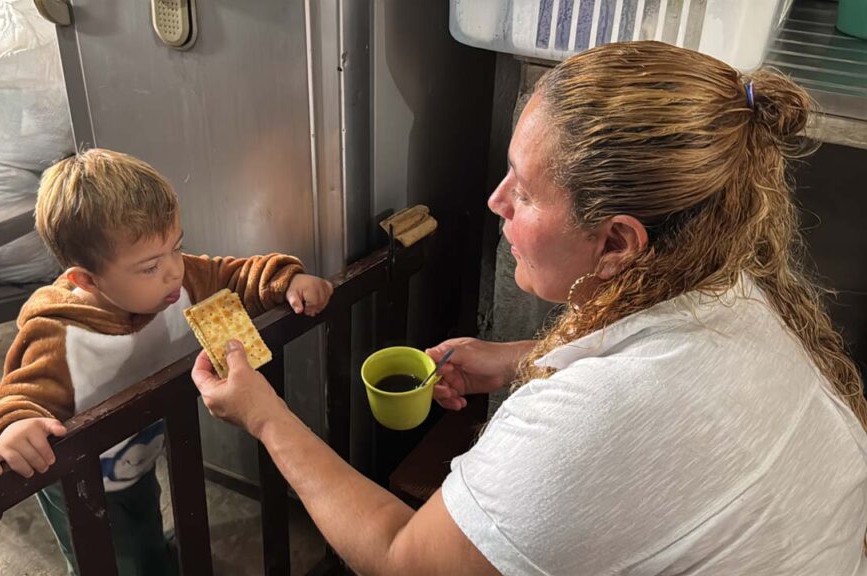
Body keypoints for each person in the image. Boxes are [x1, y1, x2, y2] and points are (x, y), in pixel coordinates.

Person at [191, 41, 867, 575]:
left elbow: (403, 559)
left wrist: (266, 416)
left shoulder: (598, 417)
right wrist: (525, 359)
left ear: (618, 242)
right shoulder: (734, 292)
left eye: (526, 188)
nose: (496, 201)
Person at [0, 148, 333, 575]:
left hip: (137, 455)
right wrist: (15, 427)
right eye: (149, 267)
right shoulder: (57, 335)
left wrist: (285, 279)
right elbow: (18, 398)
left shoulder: (179, 281)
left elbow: (232, 276)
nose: (174, 273)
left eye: (176, 249)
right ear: (86, 280)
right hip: (80, 485)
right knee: (111, 560)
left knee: (144, 522)